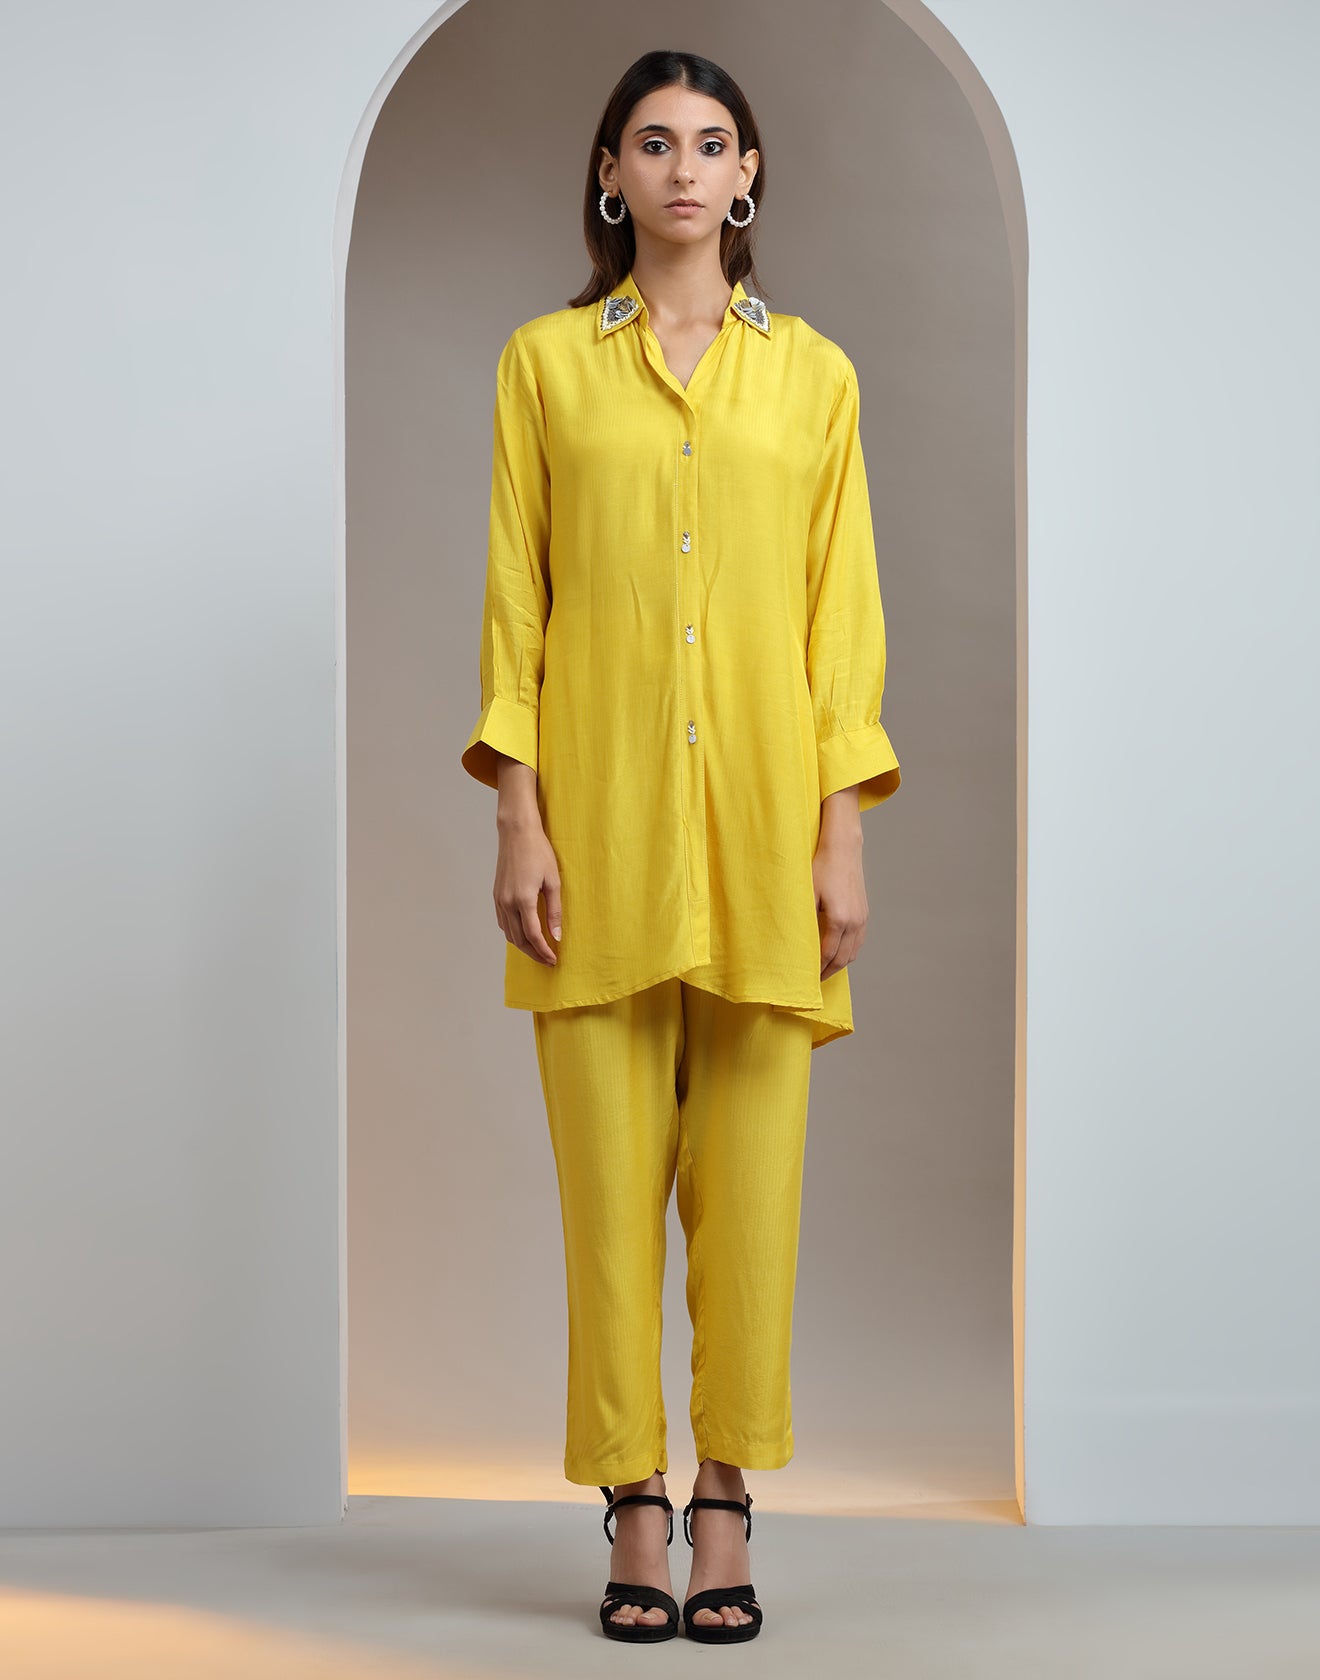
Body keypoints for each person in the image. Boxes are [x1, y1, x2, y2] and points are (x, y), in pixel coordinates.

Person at [460, 49, 901, 1644]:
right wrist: (519, 814)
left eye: (713, 143)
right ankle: (630, 1504)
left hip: (770, 842)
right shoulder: (543, 367)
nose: (685, 169)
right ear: (610, 174)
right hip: (596, 843)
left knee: (753, 1206)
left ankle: (724, 1502)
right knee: (606, 1210)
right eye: (653, 143)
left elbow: (839, 621)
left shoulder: (818, 379)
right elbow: (518, 607)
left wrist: (840, 833)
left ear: (750, 173)